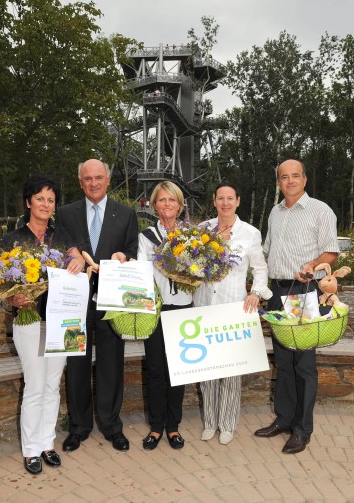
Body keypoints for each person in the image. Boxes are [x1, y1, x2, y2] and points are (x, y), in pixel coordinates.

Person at [254, 159, 339, 454]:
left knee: (303, 364)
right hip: (278, 293)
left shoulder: (320, 210)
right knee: (284, 360)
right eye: (283, 177)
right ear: (278, 182)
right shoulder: (275, 213)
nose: (289, 181)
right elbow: (265, 251)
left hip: (304, 291)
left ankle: (303, 429)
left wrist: (313, 264)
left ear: (304, 180)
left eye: (295, 176)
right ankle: (284, 419)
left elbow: (331, 253)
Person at [2, 176, 84, 475]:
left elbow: (79, 262)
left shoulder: (61, 236)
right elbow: (3, 284)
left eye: (51, 200)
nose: (46, 205)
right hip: (30, 321)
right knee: (35, 385)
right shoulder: (12, 239)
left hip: (63, 321)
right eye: (40, 199)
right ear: (28, 202)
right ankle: (31, 449)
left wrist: (78, 264)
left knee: (52, 385)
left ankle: (47, 443)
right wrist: (14, 300)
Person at [55, 159, 138, 452]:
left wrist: (123, 258)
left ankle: (112, 426)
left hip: (111, 302)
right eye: (87, 178)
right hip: (74, 303)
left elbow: (131, 251)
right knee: (76, 362)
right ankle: (78, 427)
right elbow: (60, 248)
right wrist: (70, 255)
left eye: (98, 177)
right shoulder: (64, 214)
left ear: (107, 179)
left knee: (111, 364)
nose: (93, 183)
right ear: (81, 182)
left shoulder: (126, 214)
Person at [194, 181, 272, 445]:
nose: (225, 203)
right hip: (204, 308)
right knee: (206, 371)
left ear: (238, 201)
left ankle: (226, 424)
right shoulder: (202, 229)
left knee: (229, 373)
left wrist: (256, 293)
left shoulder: (249, 233)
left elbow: (261, 269)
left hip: (234, 310)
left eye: (230, 198)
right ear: (214, 202)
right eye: (220, 198)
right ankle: (210, 421)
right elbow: (192, 266)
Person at [137, 181, 192, 450]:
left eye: (172, 200)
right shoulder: (146, 237)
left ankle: (173, 427)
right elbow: (142, 273)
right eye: (162, 200)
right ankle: (156, 427)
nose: (167, 205)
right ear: (154, 205)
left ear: (180, 205)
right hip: (156, 310)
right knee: (157, 369)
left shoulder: (193, 237)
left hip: (182, 309)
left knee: (177, 371)